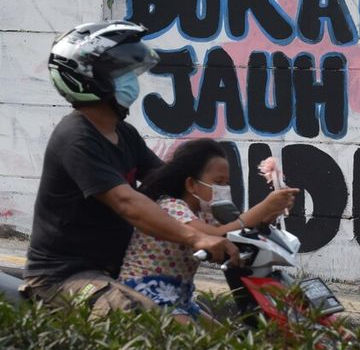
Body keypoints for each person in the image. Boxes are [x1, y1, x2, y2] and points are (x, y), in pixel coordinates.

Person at [21, 21, 238, 316]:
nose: (130, 80)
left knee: (210, 335)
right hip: (63, 277)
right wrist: (196, 237)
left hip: (113, 272)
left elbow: (168, 186)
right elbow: (127, 203)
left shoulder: (124, 134)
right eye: (120, 72)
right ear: (89, 79)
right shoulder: (76, 137)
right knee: (144, 316)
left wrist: (233, 226)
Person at [118, 139, 297, 322]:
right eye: (218, 182)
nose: (223, 189)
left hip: (182, 298)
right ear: (191, 185)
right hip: (146, 293)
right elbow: (215, 236)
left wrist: (267, 218)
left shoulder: (205, 214)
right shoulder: (171, 207)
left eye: (226, 183)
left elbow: (235, 234)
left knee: (226, 342)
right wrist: (264, 207)